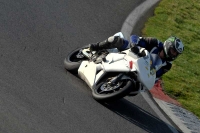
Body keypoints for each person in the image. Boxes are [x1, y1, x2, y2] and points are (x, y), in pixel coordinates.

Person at [89, 34, 184, 82]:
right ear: (168, 45)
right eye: (173, 50)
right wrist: (134, 45)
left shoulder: (167, 65)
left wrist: (151, 80)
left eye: (176, 53)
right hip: (132, 53)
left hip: (140, 71)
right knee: (115, 40)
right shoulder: (155, 43)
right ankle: (96, 47)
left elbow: (156, 76)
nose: (174, 54)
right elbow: (135, 37)